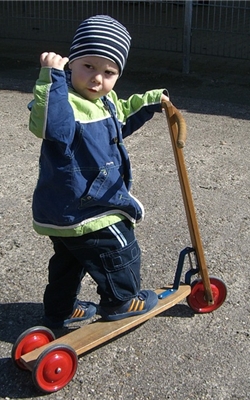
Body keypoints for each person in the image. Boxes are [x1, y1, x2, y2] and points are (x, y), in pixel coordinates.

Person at [28, 15, 171, 329]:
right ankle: (120, 300)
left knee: (69, 263)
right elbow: (49, 125)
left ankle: (60, 311)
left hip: (66, 210)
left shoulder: (104, 102)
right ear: (71, 63)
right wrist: (50, 78)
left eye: (109, 72)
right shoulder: (63, 101)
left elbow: (121, 119)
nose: (97, 79)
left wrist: (150, 101)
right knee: (121, 249)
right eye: (88, 66)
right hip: (88, 207)